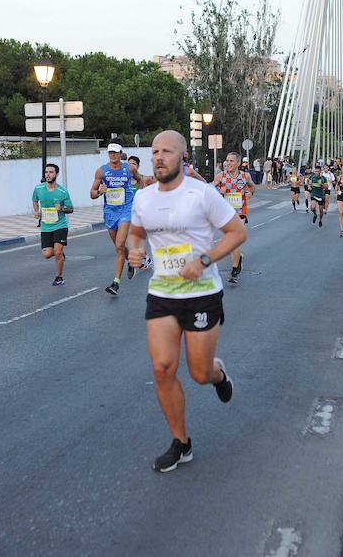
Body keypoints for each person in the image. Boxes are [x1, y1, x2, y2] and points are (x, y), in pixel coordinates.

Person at [127, 131, 247, 473]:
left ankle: (218, 374)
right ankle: (181, 443)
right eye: (154, 152)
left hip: (202, 295)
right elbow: (136, 232)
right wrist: (135, 250)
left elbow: (237, 233)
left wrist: (205, 261)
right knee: (162, 368)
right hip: (162, 294)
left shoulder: (203, 194)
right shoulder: (144, 198)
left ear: (182, 157)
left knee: (198, 373)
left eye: (166, 151)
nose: (159, 157)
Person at [90, 142, 145, 295]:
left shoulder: (129, 168)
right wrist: (100, 191)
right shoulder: (101, 171)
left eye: (115, 153)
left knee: (120, 245)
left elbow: (140, 180)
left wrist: (139, 196)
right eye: (110, 153)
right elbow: (92, 193)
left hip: (126, 210)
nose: (113, 155)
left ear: (121, 153)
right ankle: (131, 262)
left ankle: (116, 283)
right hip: (110, 212)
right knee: (118, 247)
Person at [213, 151, 254, 284]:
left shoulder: (245, 176)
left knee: (233, 241)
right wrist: (219, 192)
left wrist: (250, 193)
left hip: (239, 213)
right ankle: (238, 260)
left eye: (231, 161)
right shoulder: (221, 176)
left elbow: (252, 187)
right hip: (225, 214)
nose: (228, 163)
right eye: (227, 161)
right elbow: (208, 190)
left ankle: (235, 271)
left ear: (237, 163)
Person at [32, 163, 74, 286]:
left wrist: (61, 208)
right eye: (46, 172)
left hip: (60, 225)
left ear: (56, 174)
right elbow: (35, 200)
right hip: (46, 226)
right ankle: (59, 254)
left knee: (57, 251)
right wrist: (36, 211)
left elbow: (71, 208)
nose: (48, 174)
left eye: (51, 172)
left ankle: (59, 277)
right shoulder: (38, 188)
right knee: (47, 254)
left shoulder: (62, 191)